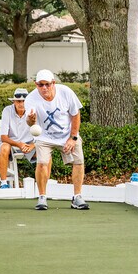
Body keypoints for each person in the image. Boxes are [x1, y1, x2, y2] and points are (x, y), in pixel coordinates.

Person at [25, 69, 89, 210]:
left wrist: (73, 138)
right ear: (36, 85)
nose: (44, 88)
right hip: (44, 137)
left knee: (78, 161)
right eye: (40, 85)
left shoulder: (65, 92)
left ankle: (77, 197)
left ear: (53, 83)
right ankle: (42, 197)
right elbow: (30, 124)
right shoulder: (30, 99)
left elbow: (75, 115)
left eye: (47, 84)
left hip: (67, 135)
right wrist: (31, 120)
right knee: (42, 163)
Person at [0, 87, 36, 189]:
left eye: (24, 101)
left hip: (28, 143)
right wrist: (19, 144)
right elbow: (4, 137)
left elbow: (42, 136)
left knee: (44, 149)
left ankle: (43, 183)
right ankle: (3, 183)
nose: (21, 104)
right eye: (18, 101)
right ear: (14, 102)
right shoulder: (7, 110)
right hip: (10, 143)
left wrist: (33, 145)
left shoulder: (34, 111)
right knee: (4, 147)